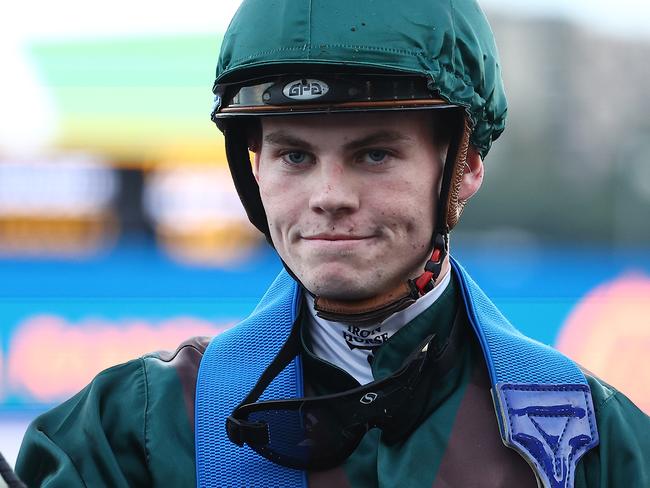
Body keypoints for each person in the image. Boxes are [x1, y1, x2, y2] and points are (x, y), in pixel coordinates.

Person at [16, 0, 650, 487]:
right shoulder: (134, 431)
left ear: (465, 166)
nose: (328, 196)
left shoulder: (599, 444)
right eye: (294, 155)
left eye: (373, 153)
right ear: (255, 169)